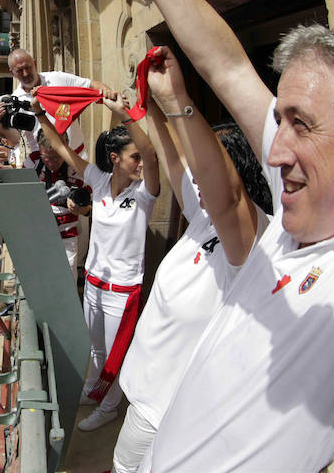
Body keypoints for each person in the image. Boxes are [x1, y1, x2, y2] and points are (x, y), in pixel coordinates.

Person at [88, 0, 334, 470]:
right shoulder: (295, 211)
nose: (275, 153)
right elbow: (228, 68)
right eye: (280, 122)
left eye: (299, 125)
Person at [111, 47, 273, 473]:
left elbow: (229, 195)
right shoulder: (202, 216)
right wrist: (148, 105)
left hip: (177, 413)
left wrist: (178, 100)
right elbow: (172, 158)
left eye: (209, 165)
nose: (195, 174)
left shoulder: (254, 236)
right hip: (145, 401)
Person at [33, 92, 160, 432]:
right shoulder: (99, 182)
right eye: (134, 158)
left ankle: (108, 407)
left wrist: (124, 115)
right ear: (115, 159)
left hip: (123, 289)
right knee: (97, 351)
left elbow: (152, 153)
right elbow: (61, 149)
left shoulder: (144, 194)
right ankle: (96, 392)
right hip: (93, 283)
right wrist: (40, 116)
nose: (141, 163)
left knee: (117, 356)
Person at [0, 48, 113, 163]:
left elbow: (92, 85)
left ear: (35, 63)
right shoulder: (15, 101)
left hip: (76, 157)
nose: (26, 73)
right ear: (12, 72)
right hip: (45, 164)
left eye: (28, 67)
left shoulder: (57, 78)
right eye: (19, 70)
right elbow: (16, 139)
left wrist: (110, 95)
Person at [22, 128, 91, 279]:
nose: (52, 163)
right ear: (40, 150)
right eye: (47, 158)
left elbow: (90, 205)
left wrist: (80, 207)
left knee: (67, 279)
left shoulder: (77, 165)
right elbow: (22, 196)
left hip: (67, 235)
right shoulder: (33, 162)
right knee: (40, 278)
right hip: (38, 234)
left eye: (57, 158)